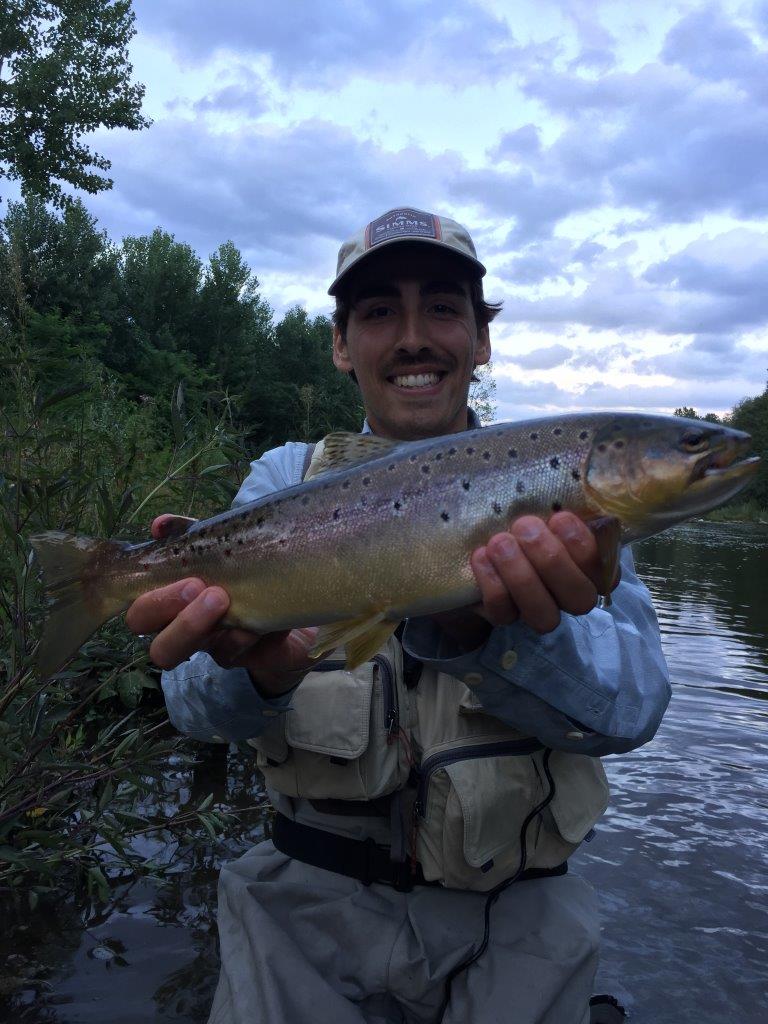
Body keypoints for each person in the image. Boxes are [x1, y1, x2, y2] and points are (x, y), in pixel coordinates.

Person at [126, 207, 671, 1024]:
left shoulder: (568, 506)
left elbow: (633, 710)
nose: (414, 337)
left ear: (481, 342)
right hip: (301, 919)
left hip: (520, 930)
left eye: (444, 308)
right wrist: (262, 676)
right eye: (380, 312)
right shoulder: (282, 479)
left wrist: (490, 635)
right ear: (342, 346)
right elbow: (194, 709)